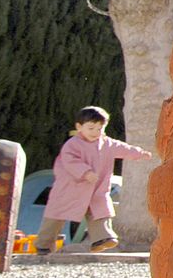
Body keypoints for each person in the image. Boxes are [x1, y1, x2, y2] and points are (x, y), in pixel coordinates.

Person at [36, 106, 152, 254]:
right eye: (91, 128)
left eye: (100, 129)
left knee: (101, 211)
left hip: (96, 188)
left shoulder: (107, 143)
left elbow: (123, 148)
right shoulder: (72, 145)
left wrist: (140, 154)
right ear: (79, 127)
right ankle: (44, 244)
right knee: (56, 216)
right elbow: (70, 161)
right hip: (71, 188)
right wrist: (85, 172)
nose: (96, 132)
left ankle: (102, 238)